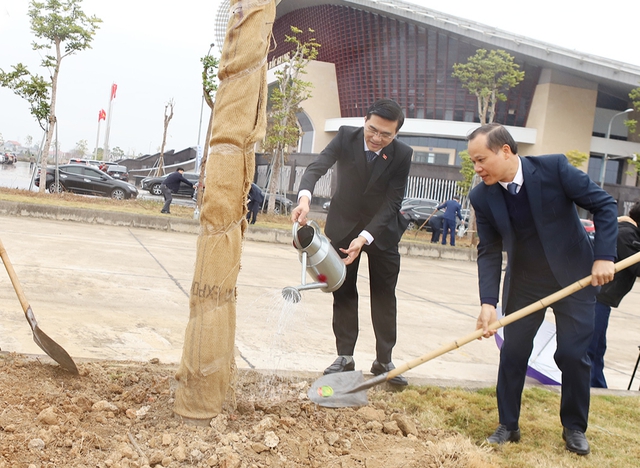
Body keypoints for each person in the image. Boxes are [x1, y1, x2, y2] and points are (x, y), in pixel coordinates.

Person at [467, 123, 617, 456]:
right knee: (514, 352)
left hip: (574, 276)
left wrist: (604, 256)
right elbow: (489, 249)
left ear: (505, 151)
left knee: (573, 355)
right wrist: (488, 302)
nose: (476, 169)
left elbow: (605, 206)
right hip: (524, 281)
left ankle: (574, 428)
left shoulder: (555, 169)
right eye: (473, 162)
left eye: (481, 160)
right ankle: (508, 424)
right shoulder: (481, 195)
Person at [291, 99, 413, 386]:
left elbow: (392, 201)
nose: (376, 138)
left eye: (386, 134)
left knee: (384, 295)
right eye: (372, 129)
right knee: (344, 290)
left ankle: (384, 359)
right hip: (344, 227)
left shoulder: (402, 154)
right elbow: (316, 168)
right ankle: (344, 356)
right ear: (365, 120)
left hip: (381, 232)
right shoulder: (346, 136)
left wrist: (365, 237)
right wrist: (305, 199)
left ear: (396, 134)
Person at [588, 204, 640, 388]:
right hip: (597, 299)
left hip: (600, 298)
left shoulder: (623, 229)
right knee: (592, 348)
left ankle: (596, 385)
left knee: (596, 346)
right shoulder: (627, 234)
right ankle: (595, 386)